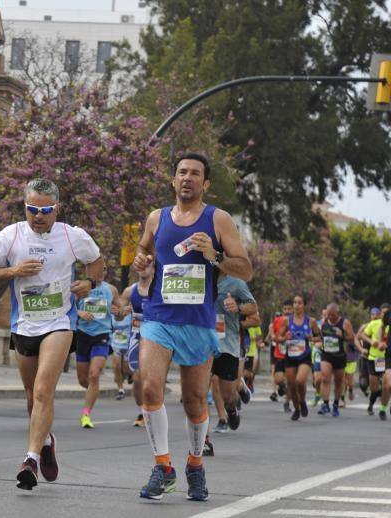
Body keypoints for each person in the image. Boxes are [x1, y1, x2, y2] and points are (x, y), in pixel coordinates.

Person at [132, 152, 253, 502]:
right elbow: (143, 253)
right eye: (182, 172)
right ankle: (163, 466)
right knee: (149, 387)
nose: (187, 178)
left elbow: (245, 270)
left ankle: (195, 465)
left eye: (195, 173)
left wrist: (213, 255)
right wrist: (141, 260)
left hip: (198, 323)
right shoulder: (157, 218)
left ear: (206, 183)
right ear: (173, 180)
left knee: (194, 400)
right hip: (159, 317)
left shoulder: (219, 220)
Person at [0, 178, 103, 490]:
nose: (38, 216)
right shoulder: (11, 236)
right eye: (32, 209)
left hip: (59, 322)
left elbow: (97, 264)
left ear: (56, 209)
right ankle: (46, 440)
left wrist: (89, 284)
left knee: (42, 391)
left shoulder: (72, 236)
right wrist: (13, 271)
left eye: (45, 210)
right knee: (30, 396)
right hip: (24, 325)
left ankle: (31, 459)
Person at [210, 276, 258, 433]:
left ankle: (232, 405)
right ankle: (221, 419)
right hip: (206, 342)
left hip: (231, 343)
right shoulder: (198, 276)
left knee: (229, 394)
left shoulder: (236, 284)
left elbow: (255, 314)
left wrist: (238, 310)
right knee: (211, 383)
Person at [74, 266, 120, 428]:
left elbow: (120, 312)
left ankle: (86, 414)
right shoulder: (79, 286)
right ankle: (93, 391)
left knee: (94, 374)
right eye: (99, 269)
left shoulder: (111, 290)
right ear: (89, 272)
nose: (102, 272)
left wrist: (119, 311)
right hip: (83, 334)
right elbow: (69, 308)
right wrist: (80, 313)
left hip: (102, 334)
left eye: (104, 270)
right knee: (83, 379)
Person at [118, 263, 154, 427]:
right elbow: (118, 313)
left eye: (148, 265)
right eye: (141, 265)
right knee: (138, 378)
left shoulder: (160, 289)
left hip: (156, 336)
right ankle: (142, 410)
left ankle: (152, 409)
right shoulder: (130, 291)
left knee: (151, 378)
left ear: (154, 269)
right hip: (136, 335)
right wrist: (121, 311)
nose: (144, 268)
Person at [277, 294, 321, 421]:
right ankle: (296, 408)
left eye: (299, 303)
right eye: (295, 303)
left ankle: (302, 401)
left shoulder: (310, 321)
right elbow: (278, 338)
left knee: (300, 381)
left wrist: (312, 338)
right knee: (291, 385)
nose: (296, 305)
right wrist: (285, 338)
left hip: (304, 356)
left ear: (304, 305)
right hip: (290, 355)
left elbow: (319, 337)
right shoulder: (286, 320)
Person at [317, 303, 354, 417]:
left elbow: (352, 337)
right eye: (328, 315)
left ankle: (336, 404)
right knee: (325, 377)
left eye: (332, 315)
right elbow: (319, 335)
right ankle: (325, 404)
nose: (330, 317)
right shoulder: (323, 322)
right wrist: (318, 341)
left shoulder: (344, 323)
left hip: (339, 356)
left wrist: (342, 335)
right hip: (326, 354)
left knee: (338, 381)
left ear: (337, 313)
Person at [357, 304, 388, 416]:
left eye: (387, 313)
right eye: (383, 313)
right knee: (374, 388)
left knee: (387, 385)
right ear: (380, 314)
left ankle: (383, 408)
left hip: (386, 359)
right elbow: (362, 336)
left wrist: (386, 345)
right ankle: (371, 405)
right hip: (374, 358)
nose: (385, 315)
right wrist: (371, 342)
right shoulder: (374, 324)